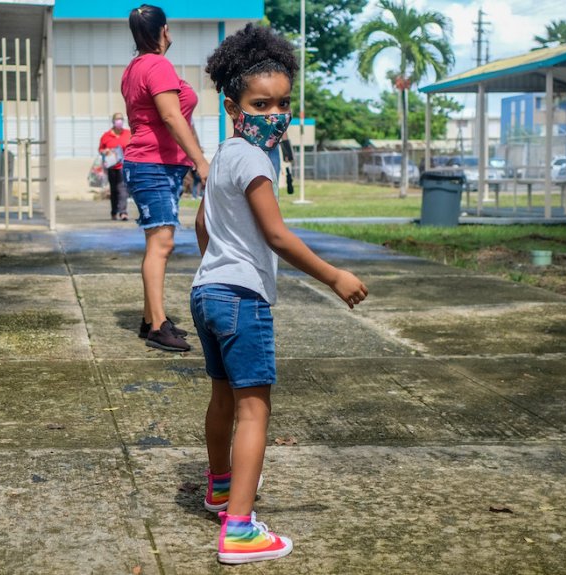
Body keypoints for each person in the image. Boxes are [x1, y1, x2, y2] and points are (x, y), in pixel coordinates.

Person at [191, 24, 368, 565]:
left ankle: (221, 488)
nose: (275, 113)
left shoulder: (222, 156)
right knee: (254, 411)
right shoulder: (255, 159)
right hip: (243, 299)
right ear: (232, 105)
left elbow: (202, 225)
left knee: (222, 397)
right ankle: (240, 529)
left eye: (283, 103)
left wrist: (218, 259)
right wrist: (333, 275)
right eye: (261, 103)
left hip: (208, 292)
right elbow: (276, 234)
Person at [122, 4, 210, 352]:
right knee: (162, 244)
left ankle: (149, 319)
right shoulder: (157, 65)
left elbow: (174, 118)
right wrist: (200, 161)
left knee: (156, 243)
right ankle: (159, 326)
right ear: (165, 30)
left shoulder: (136, 67)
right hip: (152, 165)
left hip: (156, 165)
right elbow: (172, 118)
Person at [99, 113, 132, 221]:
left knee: (123, 188)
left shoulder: (128, 134)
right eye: (117, 119)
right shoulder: (106, 136)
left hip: (123, 165)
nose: (119, 121)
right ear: (113, 121)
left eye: (121, 119)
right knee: (114, 190)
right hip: (111, 166)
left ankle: (123, 212)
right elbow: (100, 149)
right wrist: (105, 151)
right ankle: (114, 211)